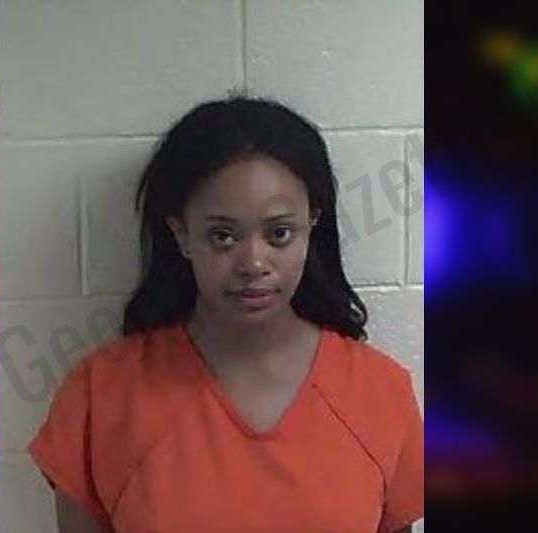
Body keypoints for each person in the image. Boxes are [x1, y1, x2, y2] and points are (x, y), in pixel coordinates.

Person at [28, 96, 424, 532]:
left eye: (279, 233)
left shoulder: (381, 393)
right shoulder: (101, 395)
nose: (253, 263)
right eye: (222, 236)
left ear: (311, 225)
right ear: (181, 234)